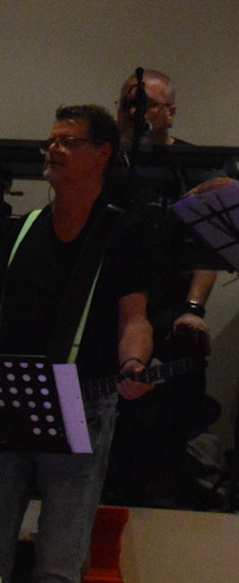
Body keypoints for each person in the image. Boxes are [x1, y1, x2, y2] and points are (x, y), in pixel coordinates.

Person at [0, 103, 155, 583]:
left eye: (69, 142)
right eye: (50, 141)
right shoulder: (24, 229)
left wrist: (134, 365)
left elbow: (134, 319)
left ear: (102, 154)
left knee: (58, 560)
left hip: (82, 403)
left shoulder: (122, 232)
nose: (53, 150)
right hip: (7, 405)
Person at [105, 69, 224, 508]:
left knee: (166, 421)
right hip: (109, 308)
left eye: (148, 105)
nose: (136, 112)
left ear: (170, 113)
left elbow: (209, 249)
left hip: (169, 307)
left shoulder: (193, 166)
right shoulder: (107, 163)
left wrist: (194, 308)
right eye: (128, 104)